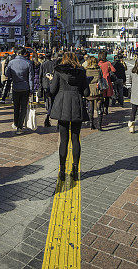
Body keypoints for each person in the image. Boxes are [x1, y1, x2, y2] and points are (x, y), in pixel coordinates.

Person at [48, 52, 88, 181]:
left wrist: (51, 81)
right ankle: (75, 171)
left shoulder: (58, 71)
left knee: (63, 139)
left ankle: (62, 171)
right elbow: (86, 92)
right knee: (76, 138)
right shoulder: (81, 72)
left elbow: (52, 90)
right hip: (76, 103)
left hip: (62, 105)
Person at [5, 48, 34, 133]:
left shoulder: (11, 62)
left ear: (16, 53)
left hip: (15, 87)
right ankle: (20, 127)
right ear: (24, 54)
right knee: (23, 107)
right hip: (25, 87)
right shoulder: (28, 63)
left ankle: (16, 123)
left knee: (16, 107)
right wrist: (31, 90)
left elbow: (7, 75)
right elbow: (30, 78)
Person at [83, 56, 104, 131]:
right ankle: (99, 124)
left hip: (89, 89)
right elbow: (101, 78)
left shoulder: (87, 70)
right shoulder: (98, 69)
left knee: (90, 107)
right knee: (99, 107)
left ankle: (91, 123)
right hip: (98, 89)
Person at [39, 53, 56, 127]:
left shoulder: (43, 64)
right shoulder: (53, 64)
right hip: (52, 82)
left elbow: (40, 74)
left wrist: (40, 83)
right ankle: (50, 108)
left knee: (46, 96)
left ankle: (47, 107)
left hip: (45, 83)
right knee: (52, 97)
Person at [97, 52, 115, 117]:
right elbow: (113, 70)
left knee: (101, 96)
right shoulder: (108, 63)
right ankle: (106, 109)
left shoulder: (98, 64)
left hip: (100, 81)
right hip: (107, 81)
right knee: (107, 96)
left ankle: (100, 108)